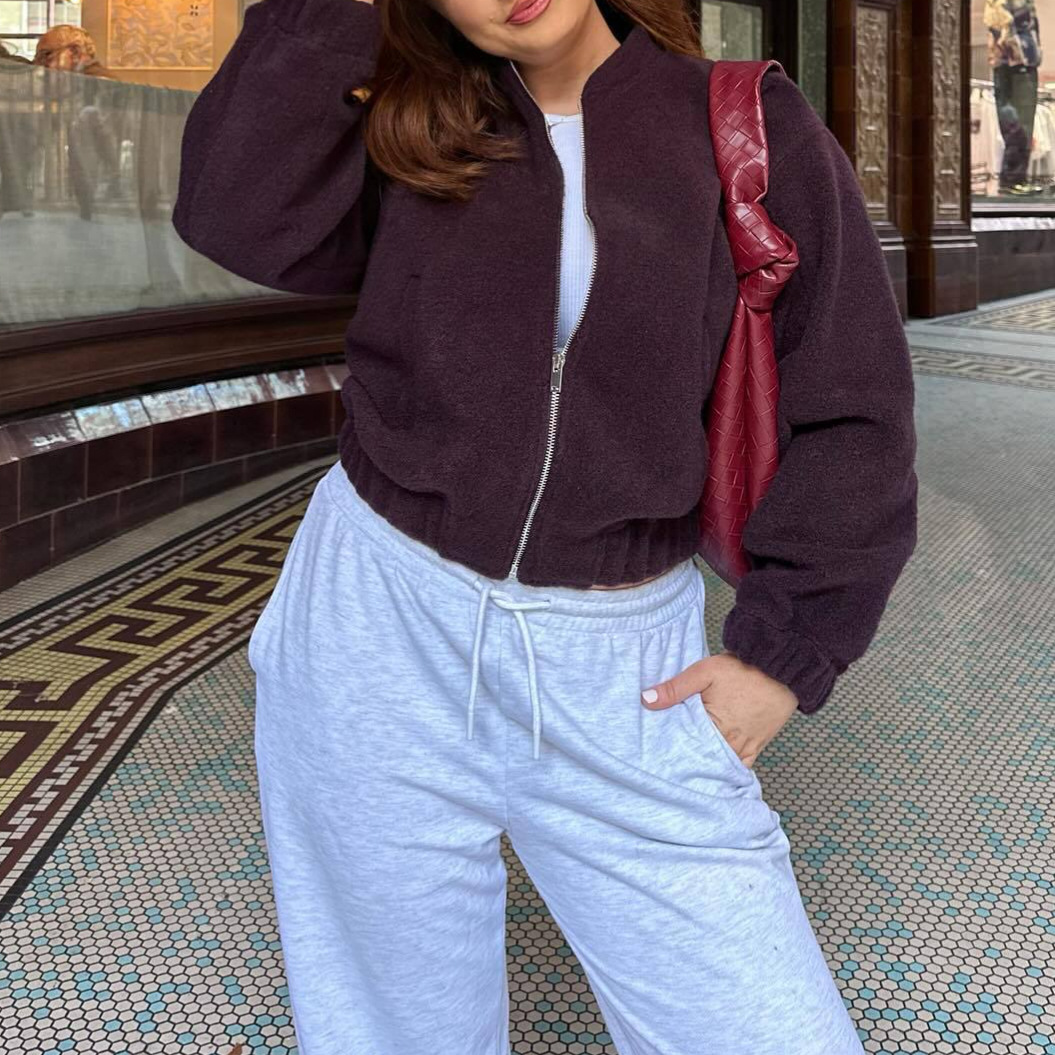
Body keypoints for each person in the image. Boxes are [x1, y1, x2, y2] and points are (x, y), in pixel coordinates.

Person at [172, 0, 918, 1051]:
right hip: (376, 622)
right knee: (391, 1028)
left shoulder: (745, 122)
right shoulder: (415, 124)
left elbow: (853, 404)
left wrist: (786, 650)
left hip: (618, 661)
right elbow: (234, 217)